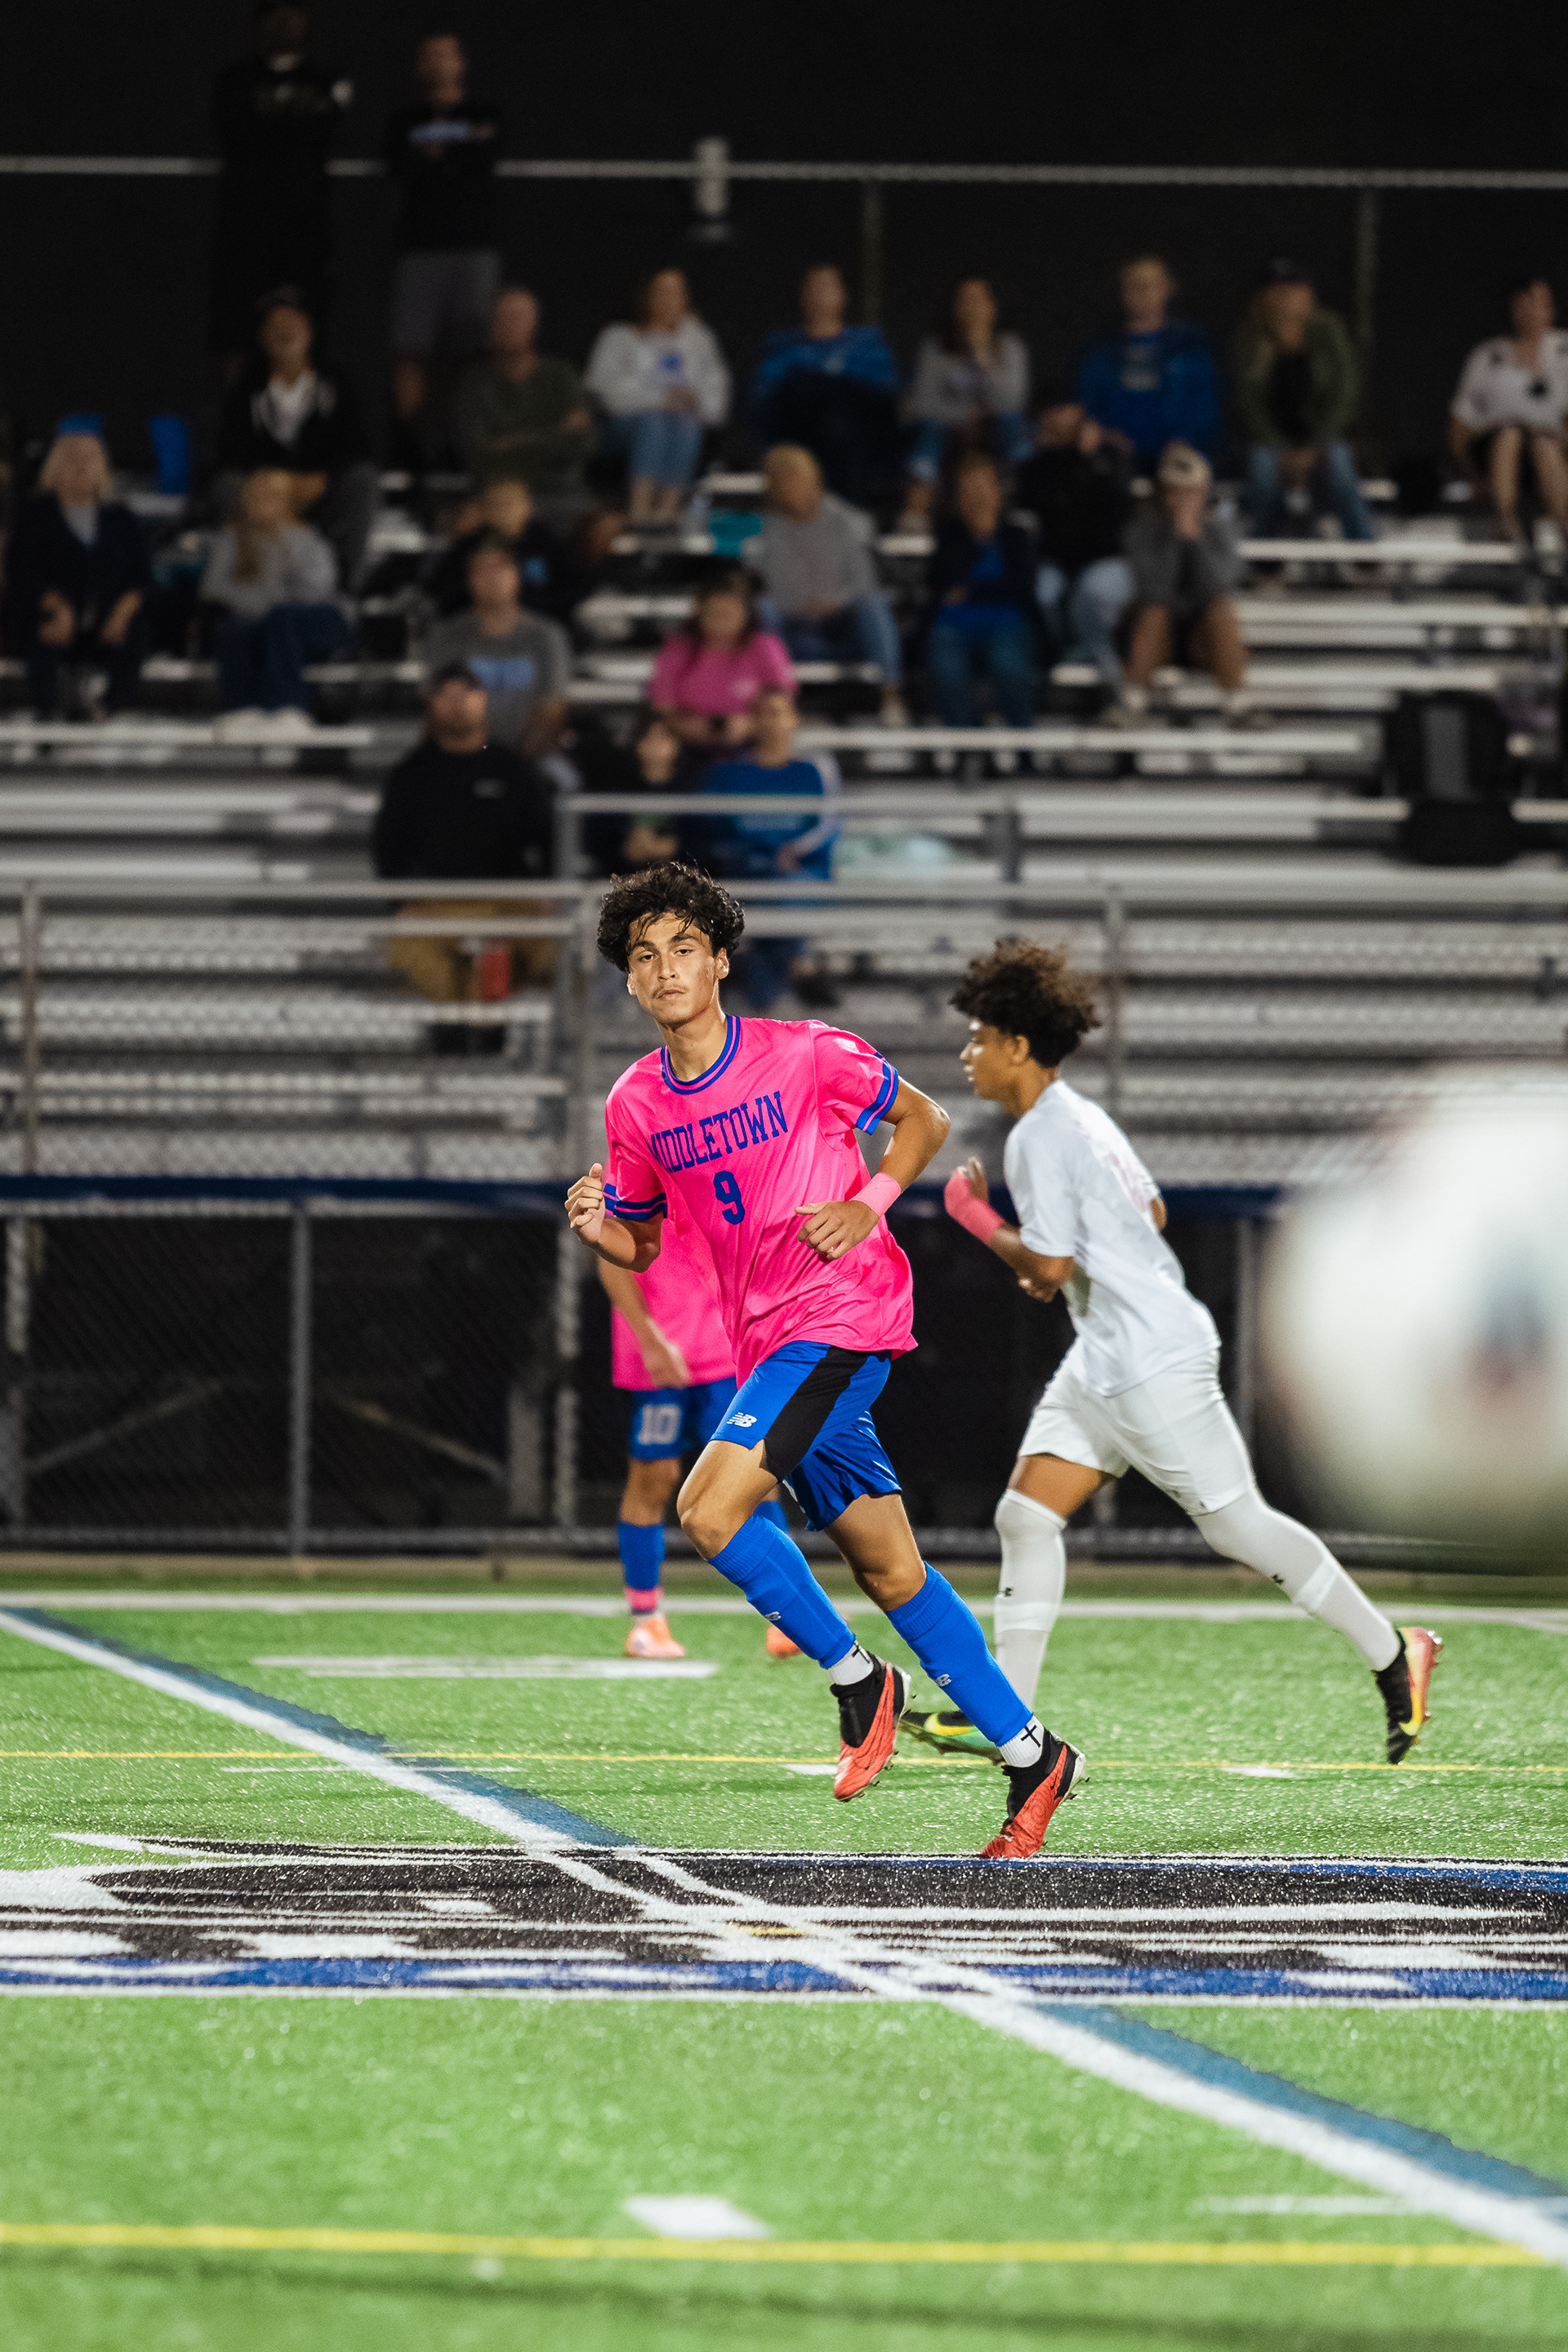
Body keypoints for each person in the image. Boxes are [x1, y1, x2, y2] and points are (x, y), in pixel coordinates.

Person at [566, 862, 1085, 1858]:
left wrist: (868, 1203)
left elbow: (925, 1119)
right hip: (769, 1344)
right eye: (645, 955)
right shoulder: (634, 1103)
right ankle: (1035, 1755)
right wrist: (600, 1230)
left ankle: (860, 1683)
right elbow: (642, 1239)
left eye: (684, 948)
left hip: (841, 1319)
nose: (666, 968)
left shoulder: (805, 1052)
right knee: (891, 1571)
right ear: (629, 980)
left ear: (720, 962)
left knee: (707, 1510)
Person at [927, 938, 1441, 1768]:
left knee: (1238, 1527)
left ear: (1017, 1047)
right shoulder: (1082, 1117)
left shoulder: (1038, 1137)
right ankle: (1004, 1711)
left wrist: (976, 1217)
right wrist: (1082, 1264)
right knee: (1025, 1515)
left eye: (980, 1038)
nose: (968, 1053)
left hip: (1147, 1359)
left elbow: (1049, 1267)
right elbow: (1152, 1215)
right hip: (1109, 1352)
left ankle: (1394, 1652)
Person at [600, 1226, 791, 1659]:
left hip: (725, 1350)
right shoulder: (628, 1183)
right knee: (655, 1479)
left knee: (756, 1478)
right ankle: (645, 1621)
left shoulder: (724, 1179)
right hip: (660, 1356)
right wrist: (649, 1340)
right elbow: (610, 1259)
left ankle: (788, 1617)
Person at [372, 661, 556, 1021]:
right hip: (437, 903)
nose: (457, 703)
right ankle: (461, 1024)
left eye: (467, 693)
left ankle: (496, 1017)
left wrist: (546, 893)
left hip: (509, 900)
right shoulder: (411, 774)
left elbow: (549, 836)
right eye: (446, 694)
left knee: (558, 945)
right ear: (432, 704)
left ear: (483, 700)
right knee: (405, 947)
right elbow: (388, 846)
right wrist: (402, 900)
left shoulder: (514, 768)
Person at [210, 1, 350, 368]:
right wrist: (299, 120)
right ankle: (239, 405)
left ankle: (304, 402)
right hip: (245, 222)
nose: (285, 24)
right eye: (276, 15)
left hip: (306, 224)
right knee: (235, 326)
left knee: (307, 320)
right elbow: (238, 133)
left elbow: (325, 132)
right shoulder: (235, 79)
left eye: (293, 15)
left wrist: (273, 123)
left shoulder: (326, 79)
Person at [214, 288, 380, 592]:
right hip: (265, 493)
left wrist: (320, 479)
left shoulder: (338, 384)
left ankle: (346, 588)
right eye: (275, 326)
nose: (285, 332)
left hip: (321, 492)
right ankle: (242, 581)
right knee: (227, 485)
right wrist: (275, 482)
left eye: (292, 323)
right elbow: (232, 450)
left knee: (363, 481)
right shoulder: (246, 390)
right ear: (262, 336)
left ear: (310, 330)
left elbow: (357, 444)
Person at [385, 33, 504, 445]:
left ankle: (468, 446)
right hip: (419, 249)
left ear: (461, 63)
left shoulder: (483, 113)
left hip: (474, 247)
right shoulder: (405, 121)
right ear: (420, 67)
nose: (438, 63)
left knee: (475, 351)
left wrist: (439, 158)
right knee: (411, 349)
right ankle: (410, 449)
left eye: (446, 55)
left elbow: (483, 158)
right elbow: (397, 165)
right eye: (430, 56)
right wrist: (450, 157)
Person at [702, 688, 842, 1010]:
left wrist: (791, 853)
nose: (771, 722)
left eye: (779, 713)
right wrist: (754, 857)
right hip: (746, 875)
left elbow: (829, 824)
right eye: (763, 714)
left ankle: (762, 990)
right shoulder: (728, 775)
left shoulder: (813, 771)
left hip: (800, 876)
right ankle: (790, 976)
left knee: (784, 900)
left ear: (794, 719)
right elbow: (714, 831)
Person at [750, 444, 906, 723]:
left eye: (793, 476)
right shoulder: (764, 528)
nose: (787, 485)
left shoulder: (844, 520)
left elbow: (863, 582)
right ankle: (778, 704)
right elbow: (773, 585)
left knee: (875, 603)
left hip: (843, 623)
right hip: (797, 628)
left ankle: (891, 698)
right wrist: (803, 606)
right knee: (765, 610)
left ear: (812, 479)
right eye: (779, 477)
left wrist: (834, 603)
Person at [1111, 443, 1263, 728]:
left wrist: (1193, 538)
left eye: (1190, 491)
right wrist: (1176, 537)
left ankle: (1239, 705)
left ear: (1204, 492)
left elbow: (1222, 582)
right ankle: (1133, 703)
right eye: (1175, 491)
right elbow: (1154, 587)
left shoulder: (1220, 530)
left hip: (1202, 638)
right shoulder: (1141, 529)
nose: (1182, 499)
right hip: (1152, 635)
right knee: (1156, 609)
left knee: (1221, 610)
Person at [6, 434, 151, 720]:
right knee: (42, 632)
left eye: (89, 458)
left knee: (137, 630)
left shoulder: (121, 518)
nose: (81, 466)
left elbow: (142, 576)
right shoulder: (35, 514)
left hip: (107, 620)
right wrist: (56, 605)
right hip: (48, 616)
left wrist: (122, 612)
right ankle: (48, 714)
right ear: (56, 464)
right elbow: (21, 573)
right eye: (73, 458)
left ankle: (106, 708)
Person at [1235, 259, 1376, 544]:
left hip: (1324, 437)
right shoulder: (1250, 337)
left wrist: (1316, 444)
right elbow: (1249, 403)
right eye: (1279, 290)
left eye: (1295, 288)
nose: (1288, 297)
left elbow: (1346, 392)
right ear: (1265, 296)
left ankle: (1366, 553)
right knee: (1263, 474)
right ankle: (1267, 558)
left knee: (1341, 470)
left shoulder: (1330, 331)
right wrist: (1280, 448)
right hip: (1272, 440)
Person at [201, 469, 350, 733]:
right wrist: (260, 604)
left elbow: (320, 589)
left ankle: (287, 707)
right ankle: (246, 709)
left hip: (315, 615)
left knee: (282, 618)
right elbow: (214, 587)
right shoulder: (233, 538)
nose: (268, 502)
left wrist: (282, 573)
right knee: (236, 628)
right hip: (258, 615)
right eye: (261, 495)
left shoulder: (309, 538)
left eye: (275, 496)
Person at [750, 266, 902, 508]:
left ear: (843, 295)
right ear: (803, 297)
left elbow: (885, 396)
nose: (820, 294)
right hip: (798, 437)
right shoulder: (782, 348)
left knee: (835, 415)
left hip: (855, 438)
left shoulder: (868, 346)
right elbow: (765, 396)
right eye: (814, 288)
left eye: (828, 287)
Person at [585, 270, 730, 523]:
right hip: (618, 427)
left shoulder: (698, 340)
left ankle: (665, 513)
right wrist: (660, 400)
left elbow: (716, 390)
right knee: (654, 423)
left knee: (688, 424)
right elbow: (602, 390)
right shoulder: (619, 337)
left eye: (676, 293)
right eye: (662, 292)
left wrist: (694, 399)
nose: (669, 300)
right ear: (647, 296)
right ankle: (640, 511)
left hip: (680, 426)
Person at [1013, 398, 1134, 684]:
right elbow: (1032, 502)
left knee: (1099, 592)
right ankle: (1055, 653)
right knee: (1043, 593)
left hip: (1103, 557)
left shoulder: (1110, 455)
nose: (1058, 423)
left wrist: (1089, 458)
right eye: (1052, 416)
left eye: (1065, 414)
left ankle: (1098, 656)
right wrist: (1052, 453)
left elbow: (1119, 505)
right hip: (1055, 559)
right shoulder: (1038, 462)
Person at [901, 277, 1031, 527]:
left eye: (980, 300)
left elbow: (1013, 399)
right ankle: (916, 513)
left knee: (1015, 427)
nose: (973, 308)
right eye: (965, 300)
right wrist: (966, 414)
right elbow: (925, 402)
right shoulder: (936, 347)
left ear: (993, 306)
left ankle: (1020, 506)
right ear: (954, 307)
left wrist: (980, 355)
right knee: (929, 431)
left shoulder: (1011, 347)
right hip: (947, 427)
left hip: (996, 425)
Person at [422, 536, 572, 755]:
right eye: (482, 569)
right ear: (469, 579)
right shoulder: (447, 636)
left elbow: (553, 708)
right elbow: (439, 707)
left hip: (530, 755)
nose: (492, 577)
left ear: (517, 574)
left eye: (500, 567)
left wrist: (515, 762)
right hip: (465, 751)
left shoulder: (547, 636)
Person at [1449, 275, 1568, 545]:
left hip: (1555, 451)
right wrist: (1472, 474)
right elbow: (1459, 424)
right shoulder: (1488, 355)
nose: (1533, 312)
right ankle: (1508, 529)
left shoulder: (1564, 350)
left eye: (1541, 304)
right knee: (1510, 434)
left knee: (1544, 443)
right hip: (1498, 451)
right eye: (1525, 304)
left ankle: (1564, 530)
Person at [452, 287, 595, 511]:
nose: (511, 326)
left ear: (535, 324)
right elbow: (480, 454)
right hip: (500, 495)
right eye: (503, 318)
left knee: (605, 525)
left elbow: (583, 441)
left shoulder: (561, 376)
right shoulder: (474, 383)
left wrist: (510, 444)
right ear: (491, 325)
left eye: (519, 318)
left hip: (562, 493)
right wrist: (554, 435)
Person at [924, 452, 1038, 729]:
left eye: (983, 487)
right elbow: (939, 585)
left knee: (1009, 667)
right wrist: (976, 538)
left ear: (997, 492)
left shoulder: (1015, 536)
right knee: (948, 671)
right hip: (954, 624)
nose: (977, 496)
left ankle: (1024, 744)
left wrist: (972, 591)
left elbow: (1022, 587)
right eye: (969, 489)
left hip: (1006, 621)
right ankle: (965, 745)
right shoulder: (950, 537)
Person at [1077, 256, 1219, 468]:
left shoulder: (1189, 344)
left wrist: (1184, 439)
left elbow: (1205, 403)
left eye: (1151, 285)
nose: (1143, 292)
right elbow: (1087, 400)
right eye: (1135, 285)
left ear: (1168, 289)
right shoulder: (1102, 348)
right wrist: (1102, 432)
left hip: (1178, 453)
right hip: (1117, 453)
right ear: (1123, 292)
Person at [647, 563, 795, 755]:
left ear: (745, 613)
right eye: (714, 613)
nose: (720, 622)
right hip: (688, 746)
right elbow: (663, 708)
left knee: (780, 724)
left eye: (728, 614)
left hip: (751, 744)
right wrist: (690, 727)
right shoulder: (677, 650)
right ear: (700, 611)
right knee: (656, 746)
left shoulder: (765, 648)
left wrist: (749, 725)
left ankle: (769, 770)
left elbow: (782, 702)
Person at [425, 478, 577, 621]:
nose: (503, 510)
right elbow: (441, 593)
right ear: (485, 510)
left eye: (510, 503)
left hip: (538, 623)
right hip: (477, 626)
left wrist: (514, 604)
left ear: (527, 506)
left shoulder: (548, 543)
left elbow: (568, 594)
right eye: (494, 504)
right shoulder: (469, 545)